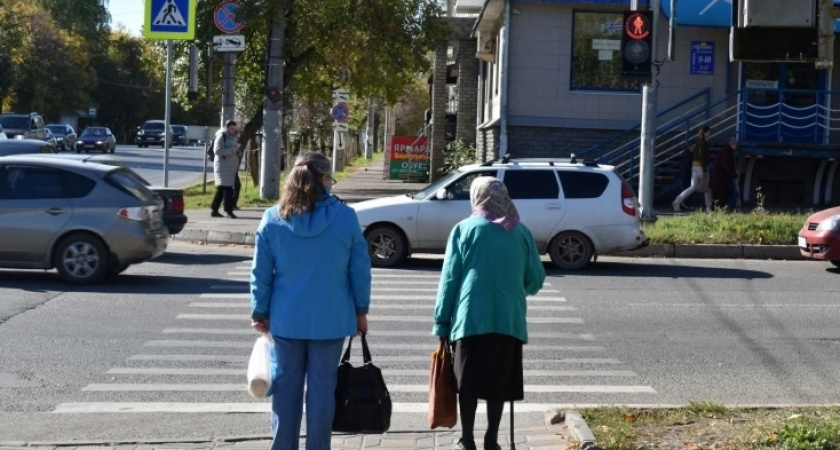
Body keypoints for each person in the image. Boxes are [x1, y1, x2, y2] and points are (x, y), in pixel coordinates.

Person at [250, 151, 371, 450]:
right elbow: (359, 270)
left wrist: (260, 311)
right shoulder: (345, 217)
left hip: (286, 319)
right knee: (321, 394)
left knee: (286, 392)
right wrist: (361, 311)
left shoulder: (273, 218)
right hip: (331, 321)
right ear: (323, 179)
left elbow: (261, 274)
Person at [433, 177, 546, 450]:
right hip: (508, 321)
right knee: (499, 384)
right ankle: (491, 440)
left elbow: (450, 280)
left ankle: (467, 440)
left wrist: (441, 322)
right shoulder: (521, 232)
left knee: (467, 384)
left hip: (470, 319)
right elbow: (535, 279)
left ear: (477, 197)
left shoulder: (464, 230)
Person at [672, 125, 713, 213]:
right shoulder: (703, 143)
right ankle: (708, 207)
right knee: (707, 187)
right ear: (705, 132)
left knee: (693, 187)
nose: (710, 134)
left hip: (694, 166)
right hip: (701, 167)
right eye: (709, 132)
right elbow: (702, 156)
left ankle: (677, 201)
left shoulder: (695, 140)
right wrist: (704, 169)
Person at [211, 120, 240, 219]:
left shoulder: (233, 137)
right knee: (227, 189)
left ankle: (214, 210)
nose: (233, 130)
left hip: (229, 167)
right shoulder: (221, 136)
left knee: (221, 189)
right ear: (226, 127)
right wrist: (231, 150)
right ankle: (228, 211)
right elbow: (217, 151)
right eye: (231, 128)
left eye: (234, 128)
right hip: (223, 167)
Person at [710, 137, 738, 212]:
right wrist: (733, 174)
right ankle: (731, 207)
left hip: (721, 178)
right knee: (731, 192)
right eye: (735, 145)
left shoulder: (725, 152)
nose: (736, 147)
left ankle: (729, 207)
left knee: (730, 192)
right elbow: (726, 166)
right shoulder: (727, 153)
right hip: (723, 178)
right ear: (732, 144)